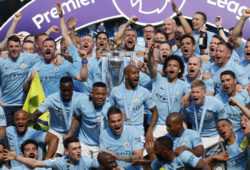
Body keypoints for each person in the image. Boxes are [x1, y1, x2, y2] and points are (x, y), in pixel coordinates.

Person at [29, 76, 80, 156]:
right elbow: (37, 112)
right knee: (56, 159)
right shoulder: (51, 99)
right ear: (60, 88)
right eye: (64, 90)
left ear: (73, 88)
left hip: (74, 134)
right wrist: (33, 117)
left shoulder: (81, 98)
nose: (66, 93)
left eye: (69, 90)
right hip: (56, 133)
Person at [23, 38, 88, 97]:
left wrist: (84, 61)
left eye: (51, 46)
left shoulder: (64, 64)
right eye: (45, 46)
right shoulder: (36, 67)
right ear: (42, 50)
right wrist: (29, 80)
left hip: (60, 106)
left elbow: (82, 78)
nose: (48, 48)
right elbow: (25, 91)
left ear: (55, 50)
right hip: (42, 107)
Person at [109, 65, 158, 141]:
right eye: (134, 73)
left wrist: (150, 129)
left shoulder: (144, 92)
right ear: (126, 75)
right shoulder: (115, 91)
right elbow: (108, 111)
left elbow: (155, 111)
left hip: (138, 133)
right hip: (120, 132)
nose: (137, 76)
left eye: (138, 73)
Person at [0, 35, 41, 126]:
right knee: (8, 133)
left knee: (23, 133)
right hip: (6, 104)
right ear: (7, 48)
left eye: (16, 46)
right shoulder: (2, 61)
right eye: (11, 46)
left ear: (20, 47)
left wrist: (59, 57)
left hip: (24, 104)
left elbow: (42, 59)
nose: (14, 49)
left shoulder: (28, 57)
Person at [63, 82, 110, 158]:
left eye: (103, 94)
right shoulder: (82, 103)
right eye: (97, 94)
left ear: (106, 95)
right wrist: (69, 134)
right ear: (91, 94)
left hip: (100, 144)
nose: (100, 96)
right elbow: (77, 119)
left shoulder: (109, 107)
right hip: (84, 143)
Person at [147, 53, 189, 138]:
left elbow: (192, 91)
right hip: (156, 125)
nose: (171, 67)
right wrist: (150, 53)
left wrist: (188, 94)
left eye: (175, 66)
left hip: (173, 126)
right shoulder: (158, 79)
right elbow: (151, 66)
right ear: (166, 69)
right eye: (169, 65)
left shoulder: (183, 85)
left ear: (180, 70)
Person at [4, 137, 99, 170]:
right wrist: (16, 157)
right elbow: (36, 163)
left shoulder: (87, 162)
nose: (78, 151)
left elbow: (108, 165)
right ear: (66, 151)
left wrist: (113, 156)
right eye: (74, 149)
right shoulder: (59, 162)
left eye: (79, 148)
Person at [182, 80, 227, 148]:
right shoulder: (187, 104)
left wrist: (222, 137)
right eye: (193, 92)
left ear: (204, 92)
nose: (195, 95)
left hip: (213, 137)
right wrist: (186, 134)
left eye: (197, 92)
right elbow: (183, 120)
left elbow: (224, 121)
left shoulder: (215, 103)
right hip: (196, 137)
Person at [148, 136, 227, 170]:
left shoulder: (183, 155)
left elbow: (204, 167)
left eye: (156, 150)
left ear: (165, 151)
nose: (155, 153)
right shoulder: (158, 160)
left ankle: (214, 157)